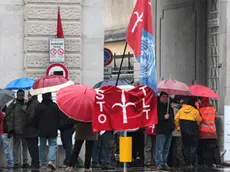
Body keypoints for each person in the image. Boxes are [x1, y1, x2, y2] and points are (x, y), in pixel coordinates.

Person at [34, 92, 60, 170]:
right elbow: (58, 117)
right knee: (52, 145)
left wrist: (36, 127)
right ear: (50, 96)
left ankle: (43, 163)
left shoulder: (39, 106)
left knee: (42, 146)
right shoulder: (55, 106)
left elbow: (36, 118)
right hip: (52, 129)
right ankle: (51, 160)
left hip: (42, 130)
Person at [175, 97, 202, 168]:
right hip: (193, 131)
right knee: (193, 146)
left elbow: (176, 118)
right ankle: (192, 162)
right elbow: (199, 120)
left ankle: (187, 162)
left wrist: (178, 128)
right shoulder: (195, 111)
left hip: (184, 131)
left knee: (186, 146)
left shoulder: (181, 110)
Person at [6, 89, 29, 168]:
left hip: (25, 129)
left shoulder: (26, 103)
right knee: (16, 147)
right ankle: (16, 162)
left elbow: (29, 114)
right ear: (17, 95)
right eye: (19, 95)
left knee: (25, 146)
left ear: (23, 95)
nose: (20, 96)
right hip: (16, 129)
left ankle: (25, 162)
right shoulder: (14, 104)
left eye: (22, 95)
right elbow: (7, 113)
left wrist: (26, 108)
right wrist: (12, 104)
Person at [197, 97, 221, 167]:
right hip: (212, 132)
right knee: (213, 148)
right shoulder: (212, 108)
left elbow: (199, 119)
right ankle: (215, 162)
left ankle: (205, 163)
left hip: (203, 132)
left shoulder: (200, 109)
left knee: (204, 148)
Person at [155, 92, 174, 170]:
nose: (165, 98)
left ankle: (164, 162)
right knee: (160, 148)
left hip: (169, 130)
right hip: (161, 130)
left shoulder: (169, 107)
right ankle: (159, 163)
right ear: (160, 97)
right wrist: (163, 117)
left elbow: (172, 117)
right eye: (163, 96)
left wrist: (173, 126)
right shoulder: (157, 107)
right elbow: (156, 118)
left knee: (166, 148)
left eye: (166, 96)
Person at [24, 92, 40, 168]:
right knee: (34, 147)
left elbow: (31, 117)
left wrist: (25, 123)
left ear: (31, 96)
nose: (27, 97)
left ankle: (35, 163)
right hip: (34, 129)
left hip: (31, 130)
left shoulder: (33, 104)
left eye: (28, 95)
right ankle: (35, 162)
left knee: (32, 147)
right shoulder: (35, 103)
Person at [171, 96, 185, 166]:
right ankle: (180, 162)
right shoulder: (178, 109)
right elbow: (177, 120)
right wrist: (179, 128)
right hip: (177, 131)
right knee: (179, 147)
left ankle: (174, 162)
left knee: (174, 147)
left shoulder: (171, 107)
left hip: (172, 131)